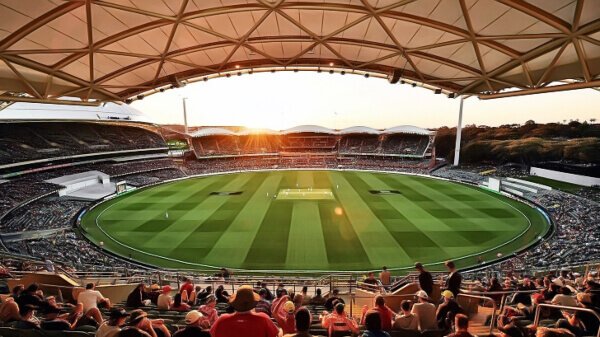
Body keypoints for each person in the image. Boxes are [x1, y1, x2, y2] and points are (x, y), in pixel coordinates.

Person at [210, 285, 279, 337]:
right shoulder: (263, 318)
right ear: (253, 303)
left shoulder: (222, 319)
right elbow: (275, 334)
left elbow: (213, 334)